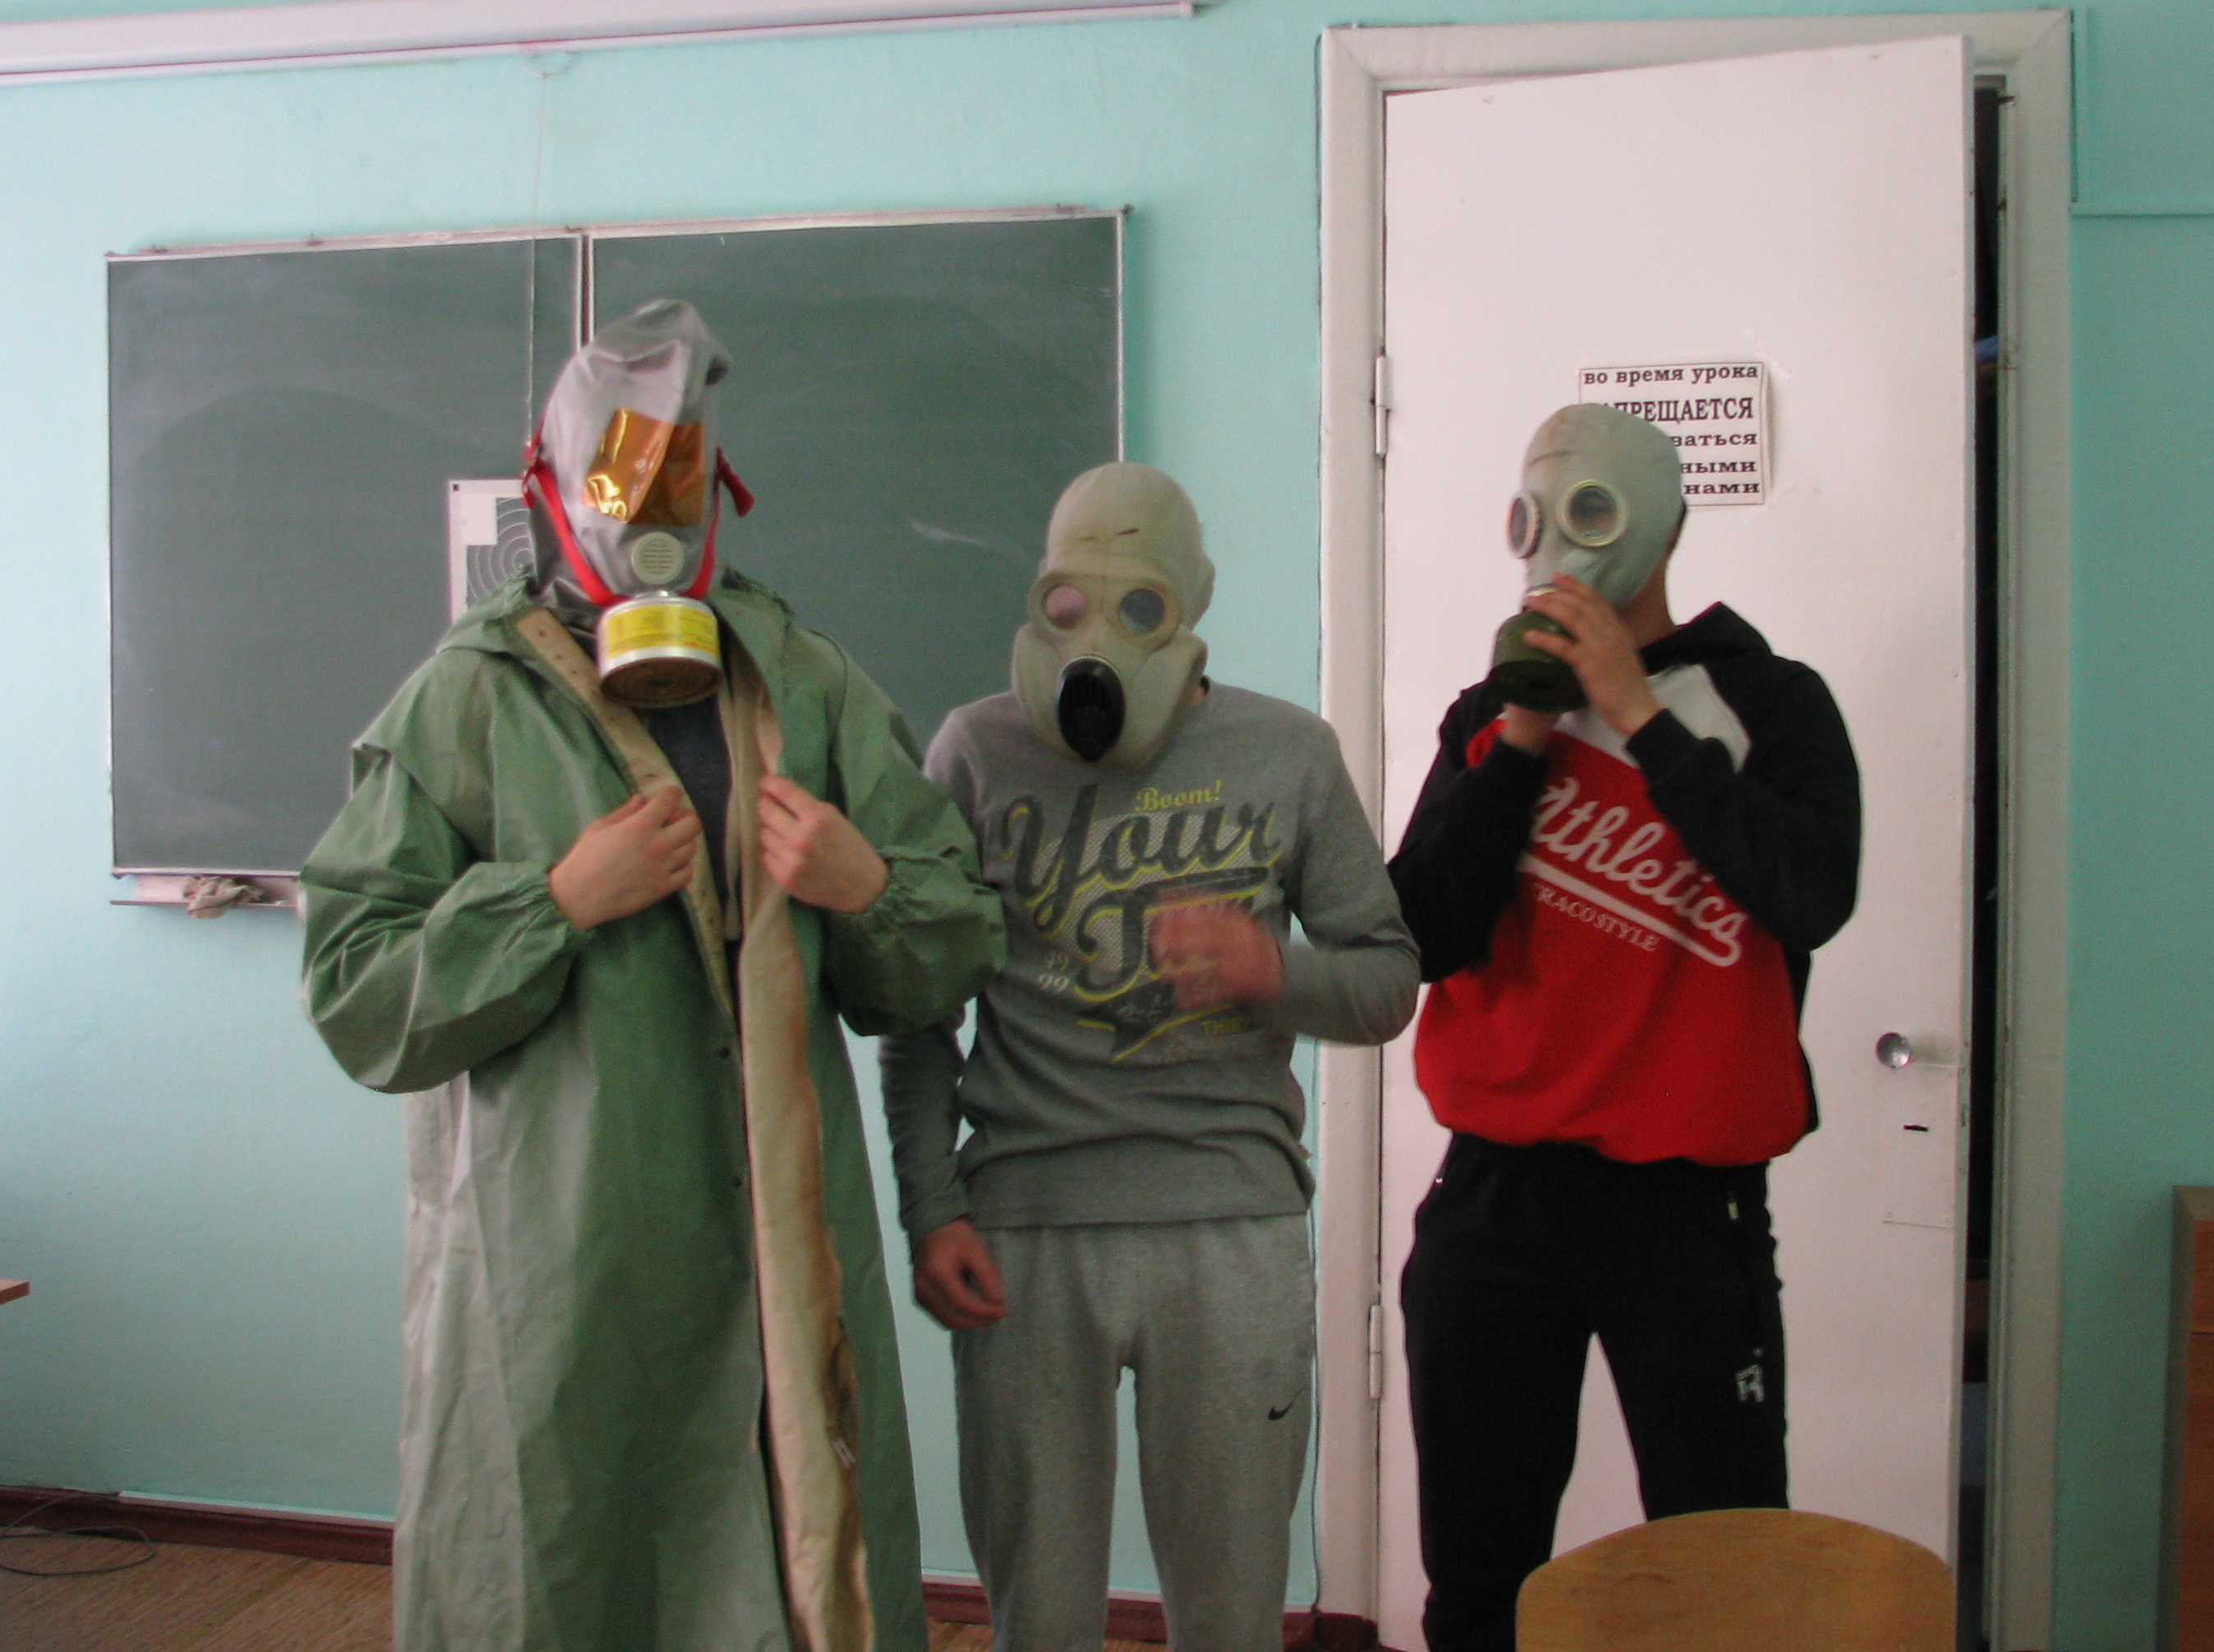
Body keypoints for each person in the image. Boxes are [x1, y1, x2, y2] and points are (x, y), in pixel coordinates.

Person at [302, 298, 1002, 1652]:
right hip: (566, 1261)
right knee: (569, 1562)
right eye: (623, 476)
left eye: (682, 471)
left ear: (722, 482)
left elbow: (942, 958)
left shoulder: (802, 684)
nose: (654, 511)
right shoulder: (468, 702)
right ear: (551, 486)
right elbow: (359, 993)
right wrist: (552, 903)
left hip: (778, 1257)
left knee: (797, 1567)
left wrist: (866, 887)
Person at [878, 463, 1417, 1652]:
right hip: (1025, 1232)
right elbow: (920, 1006)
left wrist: (1273, 972)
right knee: (1039, 1616)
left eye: (1138, 607)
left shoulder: (1289, 753)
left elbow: (1388, 984)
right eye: (1067, 603)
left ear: (1192, 601)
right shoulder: (977, 750)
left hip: (1231, 1227)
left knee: (1231, 1615)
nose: (1096, 637)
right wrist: (933, 1209)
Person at [1387, 403, 1862, 1652]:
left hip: (1685, 1210)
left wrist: (1644, 720)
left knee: (1721, 1579)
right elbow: (1420, 932)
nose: (1556, 543)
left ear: (1659, 526)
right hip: (1495, 1197)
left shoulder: (1774, 703)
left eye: (1587, 512)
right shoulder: (1488, 715)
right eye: (1533, 517)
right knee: (1478, 1586)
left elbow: (1813, 896)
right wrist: (1523, 735)